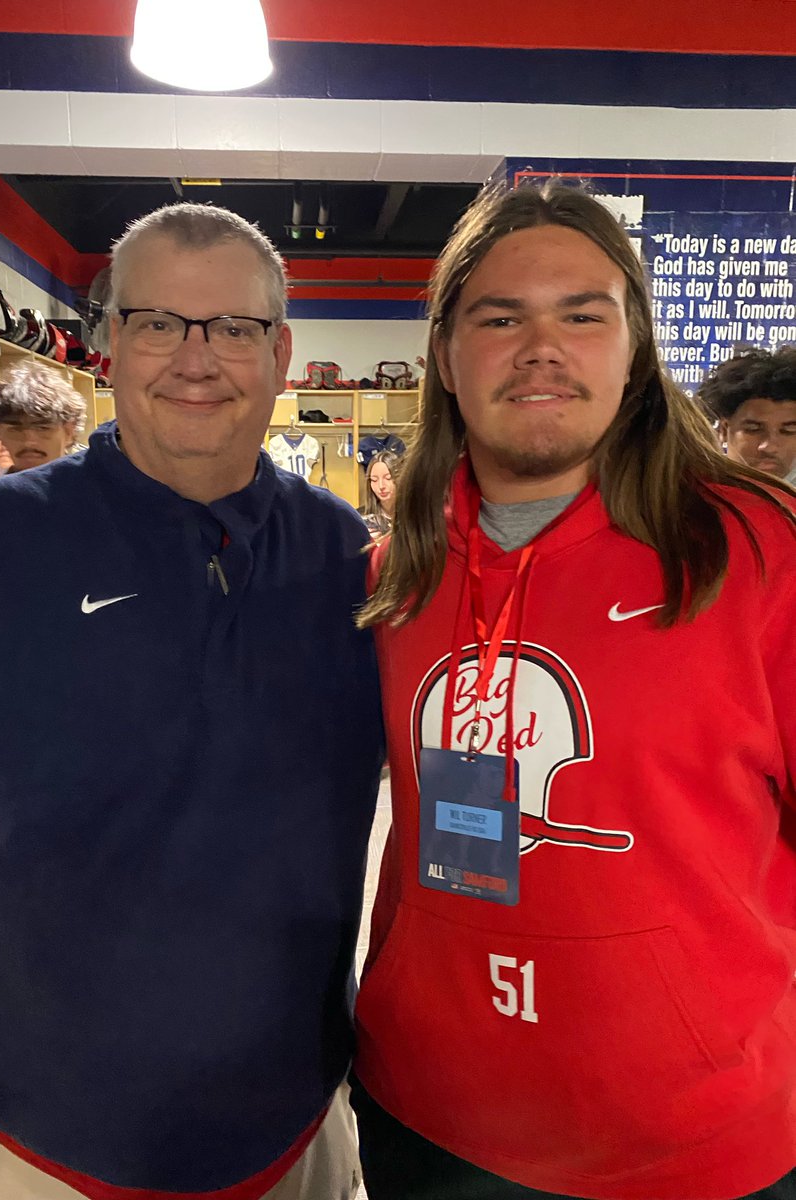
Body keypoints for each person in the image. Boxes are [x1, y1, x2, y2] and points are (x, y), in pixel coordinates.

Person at [0, 203, 384, 1200]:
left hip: (298, 1134)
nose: (195, 360)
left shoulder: (354, 563)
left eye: (234, 329)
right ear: (111, 343)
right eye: (159, 322)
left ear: (281, 353)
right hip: (48, 1148)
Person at [349, 181, 796, 1200]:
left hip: (691, 1135)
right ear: (447, 358)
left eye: (583, 315)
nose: (540, 347)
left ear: (635, 350)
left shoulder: (756, 551)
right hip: (432, 1113)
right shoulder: (394, 575)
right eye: (499, 317)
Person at [698, 346, 796, 483]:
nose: (769, 446)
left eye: (788, 431)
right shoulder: (693, 496)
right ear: (724, 430)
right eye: (753, 430)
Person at [0, 361, 87, 472]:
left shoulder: (95, 487)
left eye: (42, 428)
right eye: (15, 429)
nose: (29, 442)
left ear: (69, 431)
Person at [362, 451, 400, 539]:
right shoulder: (362, 518)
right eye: (374, 480)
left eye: (388, 478)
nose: (381, 486)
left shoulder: (412, 516)